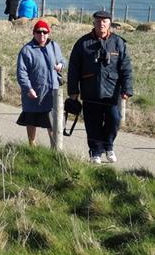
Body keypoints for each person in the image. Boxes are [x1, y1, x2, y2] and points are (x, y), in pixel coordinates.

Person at [67, 10, 134, 164]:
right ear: (93, 23)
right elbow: (73, 69)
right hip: (90, 91)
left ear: (110, 23)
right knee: (92, 124)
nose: (101, 24)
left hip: (112, 92)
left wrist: (127, 89)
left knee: (114, 120)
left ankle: (108, 146)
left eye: (104, 21)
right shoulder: (82, 43)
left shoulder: (118, 43)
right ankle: (95, 152)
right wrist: (73, 91)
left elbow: (126, 68)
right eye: (98, 21)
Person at [16, 20, 65, 146]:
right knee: (31, 121)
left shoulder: (54, 46)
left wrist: (61, 65)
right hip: (33, 93)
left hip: (51, 93)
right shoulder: (26, 50)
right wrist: (28, 88)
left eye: (45, 32)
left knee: (52, 122)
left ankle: (55, 149)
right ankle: (32, 146)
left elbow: (62, 60)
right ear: (34, 33)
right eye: (39, 32)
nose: (42, 35)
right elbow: (22, 73)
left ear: (49, 33)